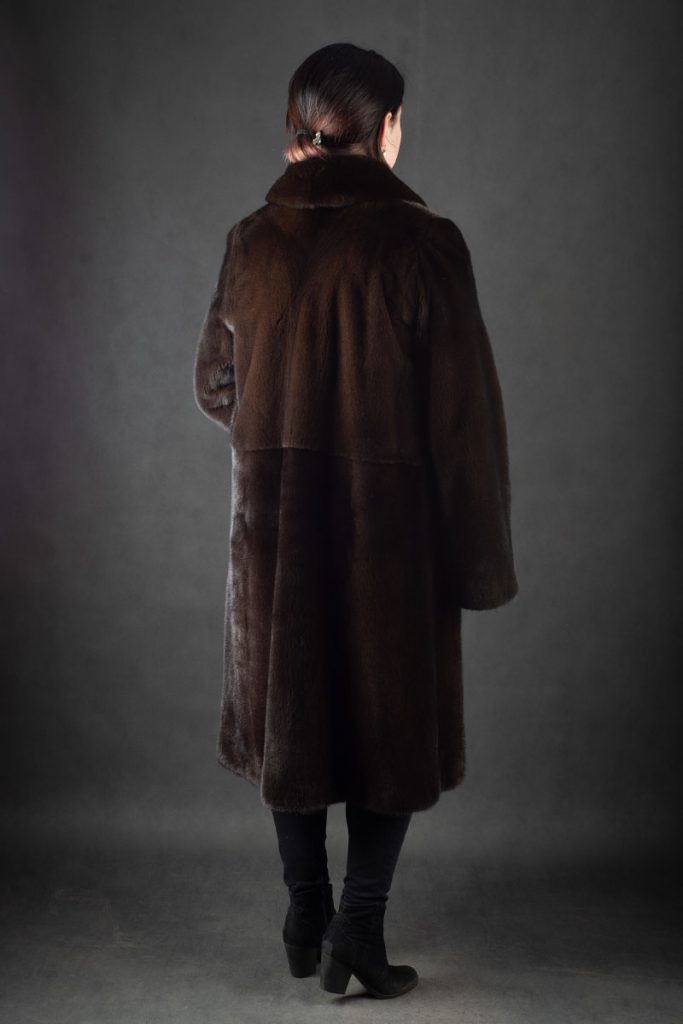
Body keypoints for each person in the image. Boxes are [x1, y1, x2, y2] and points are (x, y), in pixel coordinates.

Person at [193, 42, 519, 999]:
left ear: (301, 130)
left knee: (289, 717)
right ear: (385, 130)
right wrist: (476, 558)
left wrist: (277, 433)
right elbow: (463, 422)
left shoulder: (251, 239)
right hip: (390, 540)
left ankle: (305, 913)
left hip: (273, 539)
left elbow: (215, 384)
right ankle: (358, 931)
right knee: (391, 725)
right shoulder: (424, 244)